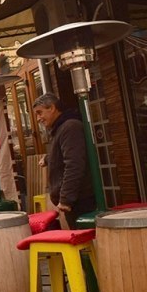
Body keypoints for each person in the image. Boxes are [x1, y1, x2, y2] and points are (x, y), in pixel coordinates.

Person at [33, 93, 96, 229]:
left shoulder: (70, 127)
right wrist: (48, 158)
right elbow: (63, 154)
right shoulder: (61, 128)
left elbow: (74, 164)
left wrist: (66, 199)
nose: (38, 118)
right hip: (76, 200)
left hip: (81, 200)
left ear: (52, 108)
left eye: (40, 113)